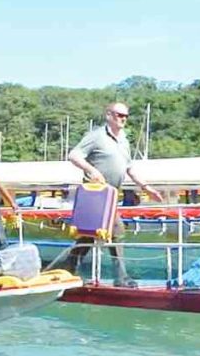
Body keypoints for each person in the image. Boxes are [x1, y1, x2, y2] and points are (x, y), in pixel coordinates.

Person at [62, 102, 163, 287]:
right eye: (119, 115)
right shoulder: (96, 136)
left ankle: (69, 268)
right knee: (115, 231)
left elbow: (129, 167)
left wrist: (146, 187)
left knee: (90, 235)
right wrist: (92, 171)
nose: (123, 119)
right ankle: (120, 277)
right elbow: (74, 155)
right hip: (96, 195)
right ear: (109, 114)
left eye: (126, 116)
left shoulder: (124, 140)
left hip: (112, 197)